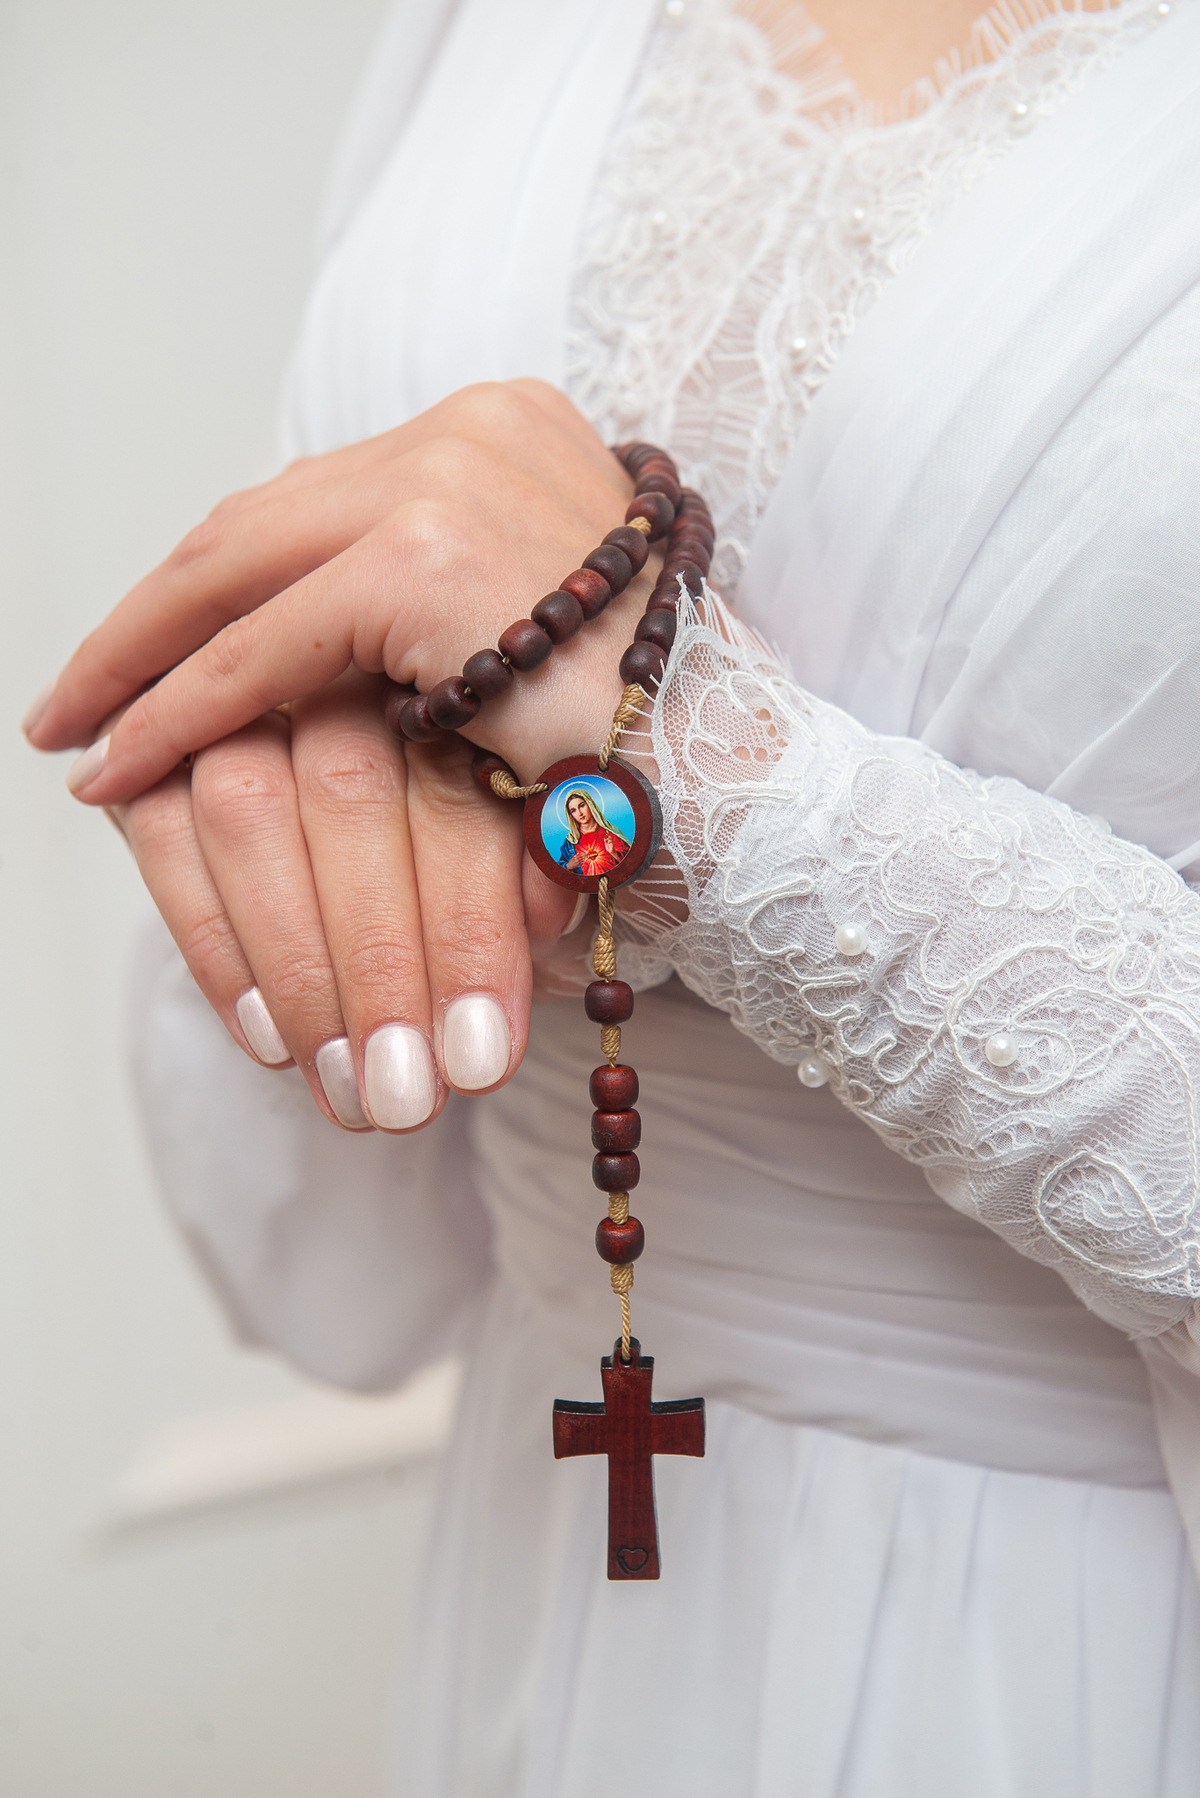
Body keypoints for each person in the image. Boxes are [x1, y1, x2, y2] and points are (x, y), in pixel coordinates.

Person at [24, 1, 1200, 1791]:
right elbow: (358, 1268)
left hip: (1073, 1632)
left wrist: (696, 770)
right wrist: (300, 792)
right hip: (545, 1561)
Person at [560, 791, 631, 876]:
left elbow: (630, 862)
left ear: (590, 805)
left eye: (582, 806)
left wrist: (613, 852)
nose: (580, 813)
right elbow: (558, 870)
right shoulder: (570, 841)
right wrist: (568, 866)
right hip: (587, 886)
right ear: (570, 815)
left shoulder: (610, 833)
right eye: (573, 810)